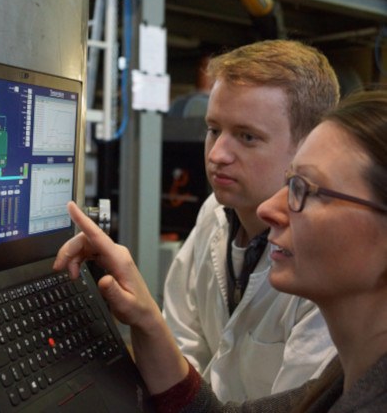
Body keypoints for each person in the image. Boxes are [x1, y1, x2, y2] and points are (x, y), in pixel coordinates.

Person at [53, 89, 387, 411]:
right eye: (213, 130)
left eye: (305, 190)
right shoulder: (341, 381)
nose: (270, 209)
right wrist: (144, 317)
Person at [162, 39, 340, 401]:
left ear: (309, 145)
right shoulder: (214, 212)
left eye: (247, 136)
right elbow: (183, 343)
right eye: (214, 129)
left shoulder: (328, 257)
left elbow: (300, 404)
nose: (218, 154)